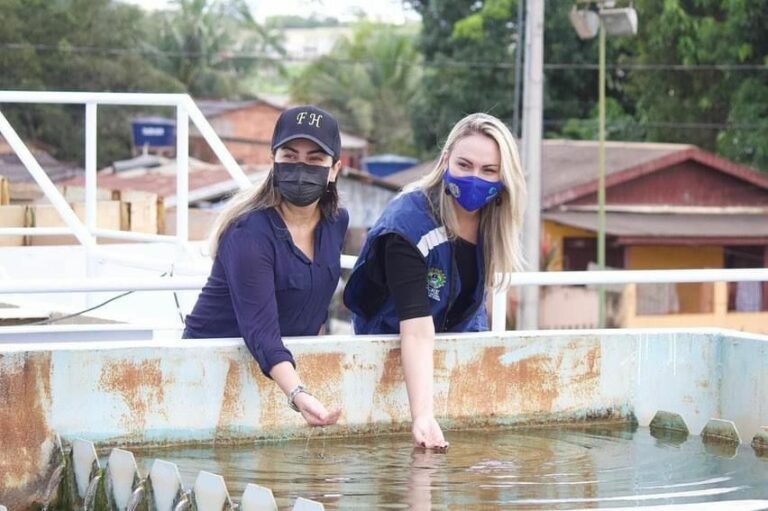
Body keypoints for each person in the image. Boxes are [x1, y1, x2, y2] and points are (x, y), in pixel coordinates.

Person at [343, 113, 526, 449]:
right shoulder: (407, 225)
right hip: (390, 345)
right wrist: (423, 416)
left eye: (489, 171)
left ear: (503, 178)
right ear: (445, 162)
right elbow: (415, 329)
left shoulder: (491, 220)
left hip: (451, 338)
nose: (475, 178)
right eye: (464, 165)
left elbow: (471, 305)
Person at [184, 105, 347, 427]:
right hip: (208, 373)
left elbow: (315, 307)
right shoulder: (249, 232)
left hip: (278, 375)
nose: (302, 168)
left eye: (315, 159)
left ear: (334, 170)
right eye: (289, 156)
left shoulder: (335, 222)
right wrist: (298, 393)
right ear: (273, 162)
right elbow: (261, 330)